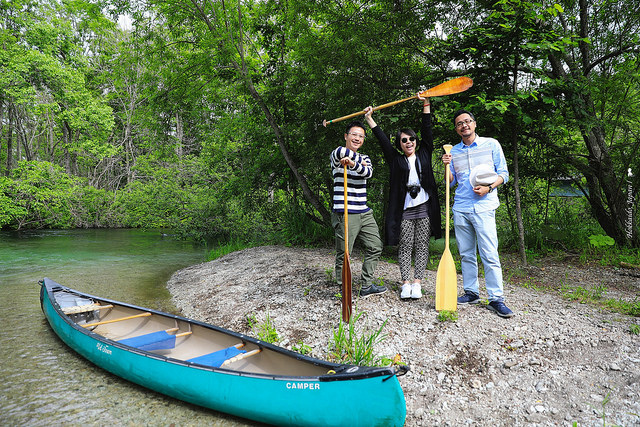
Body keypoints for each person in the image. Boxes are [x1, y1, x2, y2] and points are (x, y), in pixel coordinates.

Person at [363, 96, 442, 300]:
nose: (409, 142)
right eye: (404, 140)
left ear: (416, 141)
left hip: (424, 207)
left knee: (422, 246)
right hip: (405, 210)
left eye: (411, 139)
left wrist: (426, 105)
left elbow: (427, 130)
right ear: (400, 144)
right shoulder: (395, 159)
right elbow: (381, 140)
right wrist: (370, 119)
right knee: (405, 246)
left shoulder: (425, 152)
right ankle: (405, 283)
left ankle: (418, 283)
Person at [441, 109, 514, 318]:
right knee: (466, 254)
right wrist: (447, 167)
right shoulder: (452, 151)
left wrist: (489, 188)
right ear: (456, 129)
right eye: (459, 124)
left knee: (489, 254)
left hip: (484, 206)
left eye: (467, 121)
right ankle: (471, 292)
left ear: (474, 124)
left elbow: (504, 174)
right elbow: (450, 182)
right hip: (461, 207)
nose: (464, 125)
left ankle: (496, 298)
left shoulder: (491, 144)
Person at [330, 121, 386, 298]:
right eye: (354, 134)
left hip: (363, 211)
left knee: (375, 246)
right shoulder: (336, 153)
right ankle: (343, 287)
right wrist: (352, 160)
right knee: (344, 252)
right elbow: (341, 153)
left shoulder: (366, 158)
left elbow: (368, 172)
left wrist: (353, 163)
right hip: (345, 211)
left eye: (361, 136)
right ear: (346, 136)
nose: (357, 138)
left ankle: (366, 286)